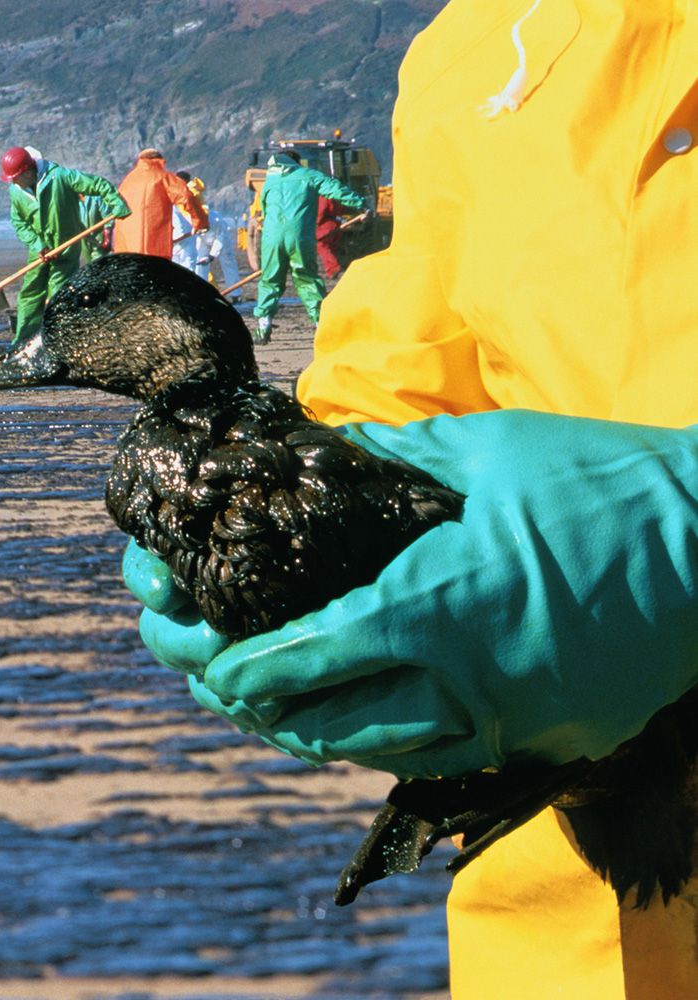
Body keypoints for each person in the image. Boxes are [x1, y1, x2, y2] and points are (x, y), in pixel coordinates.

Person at [123, 2, 698, 995]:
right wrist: (310, 500)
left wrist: (681, 511)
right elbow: (410, 341)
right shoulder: (478, 43)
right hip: (559, 909)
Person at [1, 145, 128, 344]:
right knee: (30, 293)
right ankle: (22, 340)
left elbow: (97, 184)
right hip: (39, 251)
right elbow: (19, 223)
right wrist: (38, 245)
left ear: (27, 172)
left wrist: (115, 201)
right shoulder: (16, 191)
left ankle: (53, 337)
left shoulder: (60, 177)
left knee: (58, 293)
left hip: (66, 246)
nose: (13, 182)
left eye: (15, 177)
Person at [251, 150, 366, 344]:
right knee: (307, 279)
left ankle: (263, 327)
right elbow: (335, 189)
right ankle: (321, 325)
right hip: (299, 236)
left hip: (271, 238)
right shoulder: (308, 176)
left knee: (270, 280)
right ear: (297, 163)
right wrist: (361, 204)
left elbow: (264, 208)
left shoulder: (269, 182)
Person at [110, 148, 203, 259]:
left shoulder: (127, 181)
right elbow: (186, 196)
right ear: (159, 159)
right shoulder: (163, 177)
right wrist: (200, 221)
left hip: (126, 245)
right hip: (153, 244)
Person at [314, 195, 349, 280]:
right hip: (336, 223)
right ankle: (340, 267)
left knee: (321, 245)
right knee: (332, 246)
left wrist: (316, 222)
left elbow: (321, 211)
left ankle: (333, 268)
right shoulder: (336, 196)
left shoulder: (324, 196)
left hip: (326, 224)